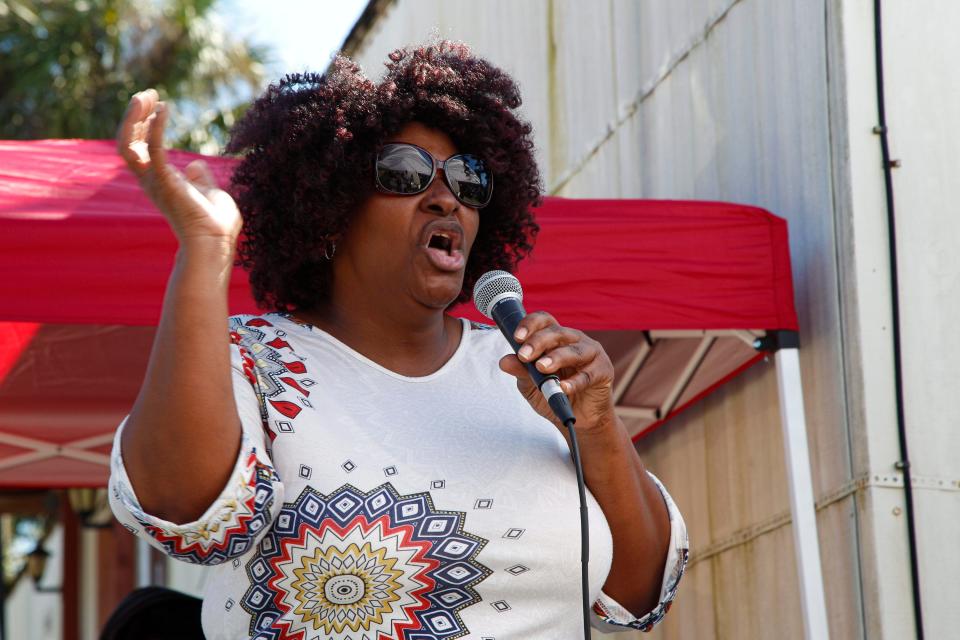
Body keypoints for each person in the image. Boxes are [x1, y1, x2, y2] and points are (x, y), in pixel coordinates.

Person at [108, 41, 688, 639]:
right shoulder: (254, 360)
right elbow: (187, 513)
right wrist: (207, 251)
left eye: (468, 180)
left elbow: (638, 592)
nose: (445, 197)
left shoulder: (529, 371)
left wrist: (597, 428)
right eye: (404, 173)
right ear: (330, 209)